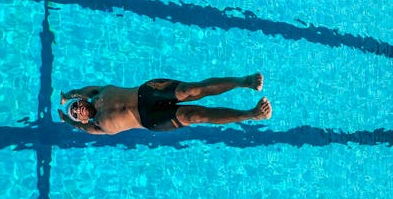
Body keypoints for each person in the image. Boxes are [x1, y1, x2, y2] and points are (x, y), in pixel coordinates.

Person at [58, 73, 271, 134]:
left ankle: (243, 82)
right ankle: (252, 114)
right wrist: (68, 119)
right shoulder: (96, 126)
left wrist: (68, 96)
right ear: (82, 119)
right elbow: (79, 126)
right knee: (196, 116)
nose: (78, 109)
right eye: (76, 113)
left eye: (76, 106)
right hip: (150, 120)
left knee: (191, 89)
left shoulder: (98, 92)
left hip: (147, 93)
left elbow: (81, 91)